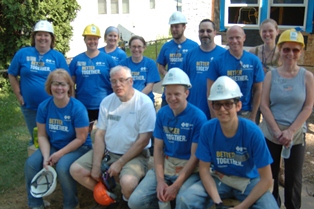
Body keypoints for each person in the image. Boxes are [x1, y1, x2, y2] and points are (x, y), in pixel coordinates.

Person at [178, 76, 278, 209]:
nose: (222, 109)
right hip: (220, 178)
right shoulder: (207, 129)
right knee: (185, 200)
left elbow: (266, 179)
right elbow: (204, 170)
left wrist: (241, 207)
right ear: (212, 106)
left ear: (238, 105)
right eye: (217, 104)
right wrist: (218, 203)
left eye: (228, 104)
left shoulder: (252, 132)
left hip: (248, 181)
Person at [70, 66, 156, 208]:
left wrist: (120, 162)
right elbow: (100, 134)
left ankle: (125, 202)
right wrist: (97, 164)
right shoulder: (107, 102)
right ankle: (109, 198)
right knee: (76, 170)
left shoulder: (144, 103)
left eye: (122, 80)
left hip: (136, 155)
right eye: (113, 81)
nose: (117, 85)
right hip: (109, 152)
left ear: (131, 81)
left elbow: (144, 140)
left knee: (128, 183)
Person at [128, 68, 207, 209]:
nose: (172, 98)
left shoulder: (198, 117)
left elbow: (195, 156)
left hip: (189, 168)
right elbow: (158, 149)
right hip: (167, 165)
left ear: (186, 93)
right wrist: (160, 181)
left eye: (177, 94)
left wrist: (176, 185)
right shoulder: (163, 113)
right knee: (135, 201)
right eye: (168, 94)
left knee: (183, 200)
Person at [259, 28, 314, 209]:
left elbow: (308, 107)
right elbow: (264, 105)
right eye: (286, 49)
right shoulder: (270, 75)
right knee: (270, 177)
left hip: (295, 136)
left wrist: (290, 131)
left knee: (293, 180)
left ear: (301, 52)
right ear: (280, 50)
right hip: (271, 134)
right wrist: (277, 131)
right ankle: (272, 205)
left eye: (295, 50)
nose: (290, 54)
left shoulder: (307, 77)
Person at [25, 69, 92, 209]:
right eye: (55, 84)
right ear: (50, 86)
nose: (59, 88)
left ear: (69, 87)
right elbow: (42, 135)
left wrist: (59, 155)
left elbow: (81, 138)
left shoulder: (77, 108)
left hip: (79, 147)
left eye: (63, 84)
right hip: (55, 144)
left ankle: (71, 204)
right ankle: (35, 203)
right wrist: (45, 157)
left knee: (62, 167)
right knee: (31, 163)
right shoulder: (44, 106)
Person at [8, 20, 69, 145]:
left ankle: (52, 160)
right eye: (39, 34)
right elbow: (12, 74)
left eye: (46, 35)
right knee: (36, 136)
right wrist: (19, 96)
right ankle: (37, 161)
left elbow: (66, 80)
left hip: (53, 106)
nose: (43, 38)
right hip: (30, 107)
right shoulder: (22, 54)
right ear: (34, 37)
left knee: (54, 137)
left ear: (51, 38)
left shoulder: (57, 57)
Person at [207, 25, 264, 122]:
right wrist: (214, 117)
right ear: (227, 39)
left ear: (244, 37)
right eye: (231, 38)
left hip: (247, 112)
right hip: (225, 111)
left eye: (237, 37)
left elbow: (258, 90)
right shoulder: (217, 61)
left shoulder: (254, 61)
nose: (234, 41)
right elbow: (210, 91)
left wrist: (253, 116)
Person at [69, 24, 116, 124]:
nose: (92, 42)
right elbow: (70, 84)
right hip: (82, 105)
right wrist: (73, 102)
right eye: (89, 39)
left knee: (105, 135)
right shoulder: (76, 60)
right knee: (84, 135)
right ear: (84, 40)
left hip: (105, 104)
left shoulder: (108, 60)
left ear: (98, 40)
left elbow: (116, 81)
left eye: (95, 39)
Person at [183, 19, 226, 119]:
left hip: (217, 109)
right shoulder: (190, 55)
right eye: (202, 31)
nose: (205, 34)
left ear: (215, 33)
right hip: (194, 107)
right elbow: (183, 83)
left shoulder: (224, 55)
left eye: (209, 31)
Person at [157, 11, 198, 106]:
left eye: (177, 26)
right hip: (169, 92)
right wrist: (165, 73)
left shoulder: (194, 46)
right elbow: (160, 65)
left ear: (184, 27)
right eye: (172, 26)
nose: (174, 29)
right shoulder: (166, 46)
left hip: (186, 92)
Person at [119, 35, 160, 104]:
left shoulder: (150, 63)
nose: (136, 49)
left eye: (139, 47)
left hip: (145, 101)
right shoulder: (123, 64)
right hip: (127, 101)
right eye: (134, 46)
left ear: (144, 48)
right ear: (129, 47)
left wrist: (135, 99)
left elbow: (149, 86)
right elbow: (121, 83)